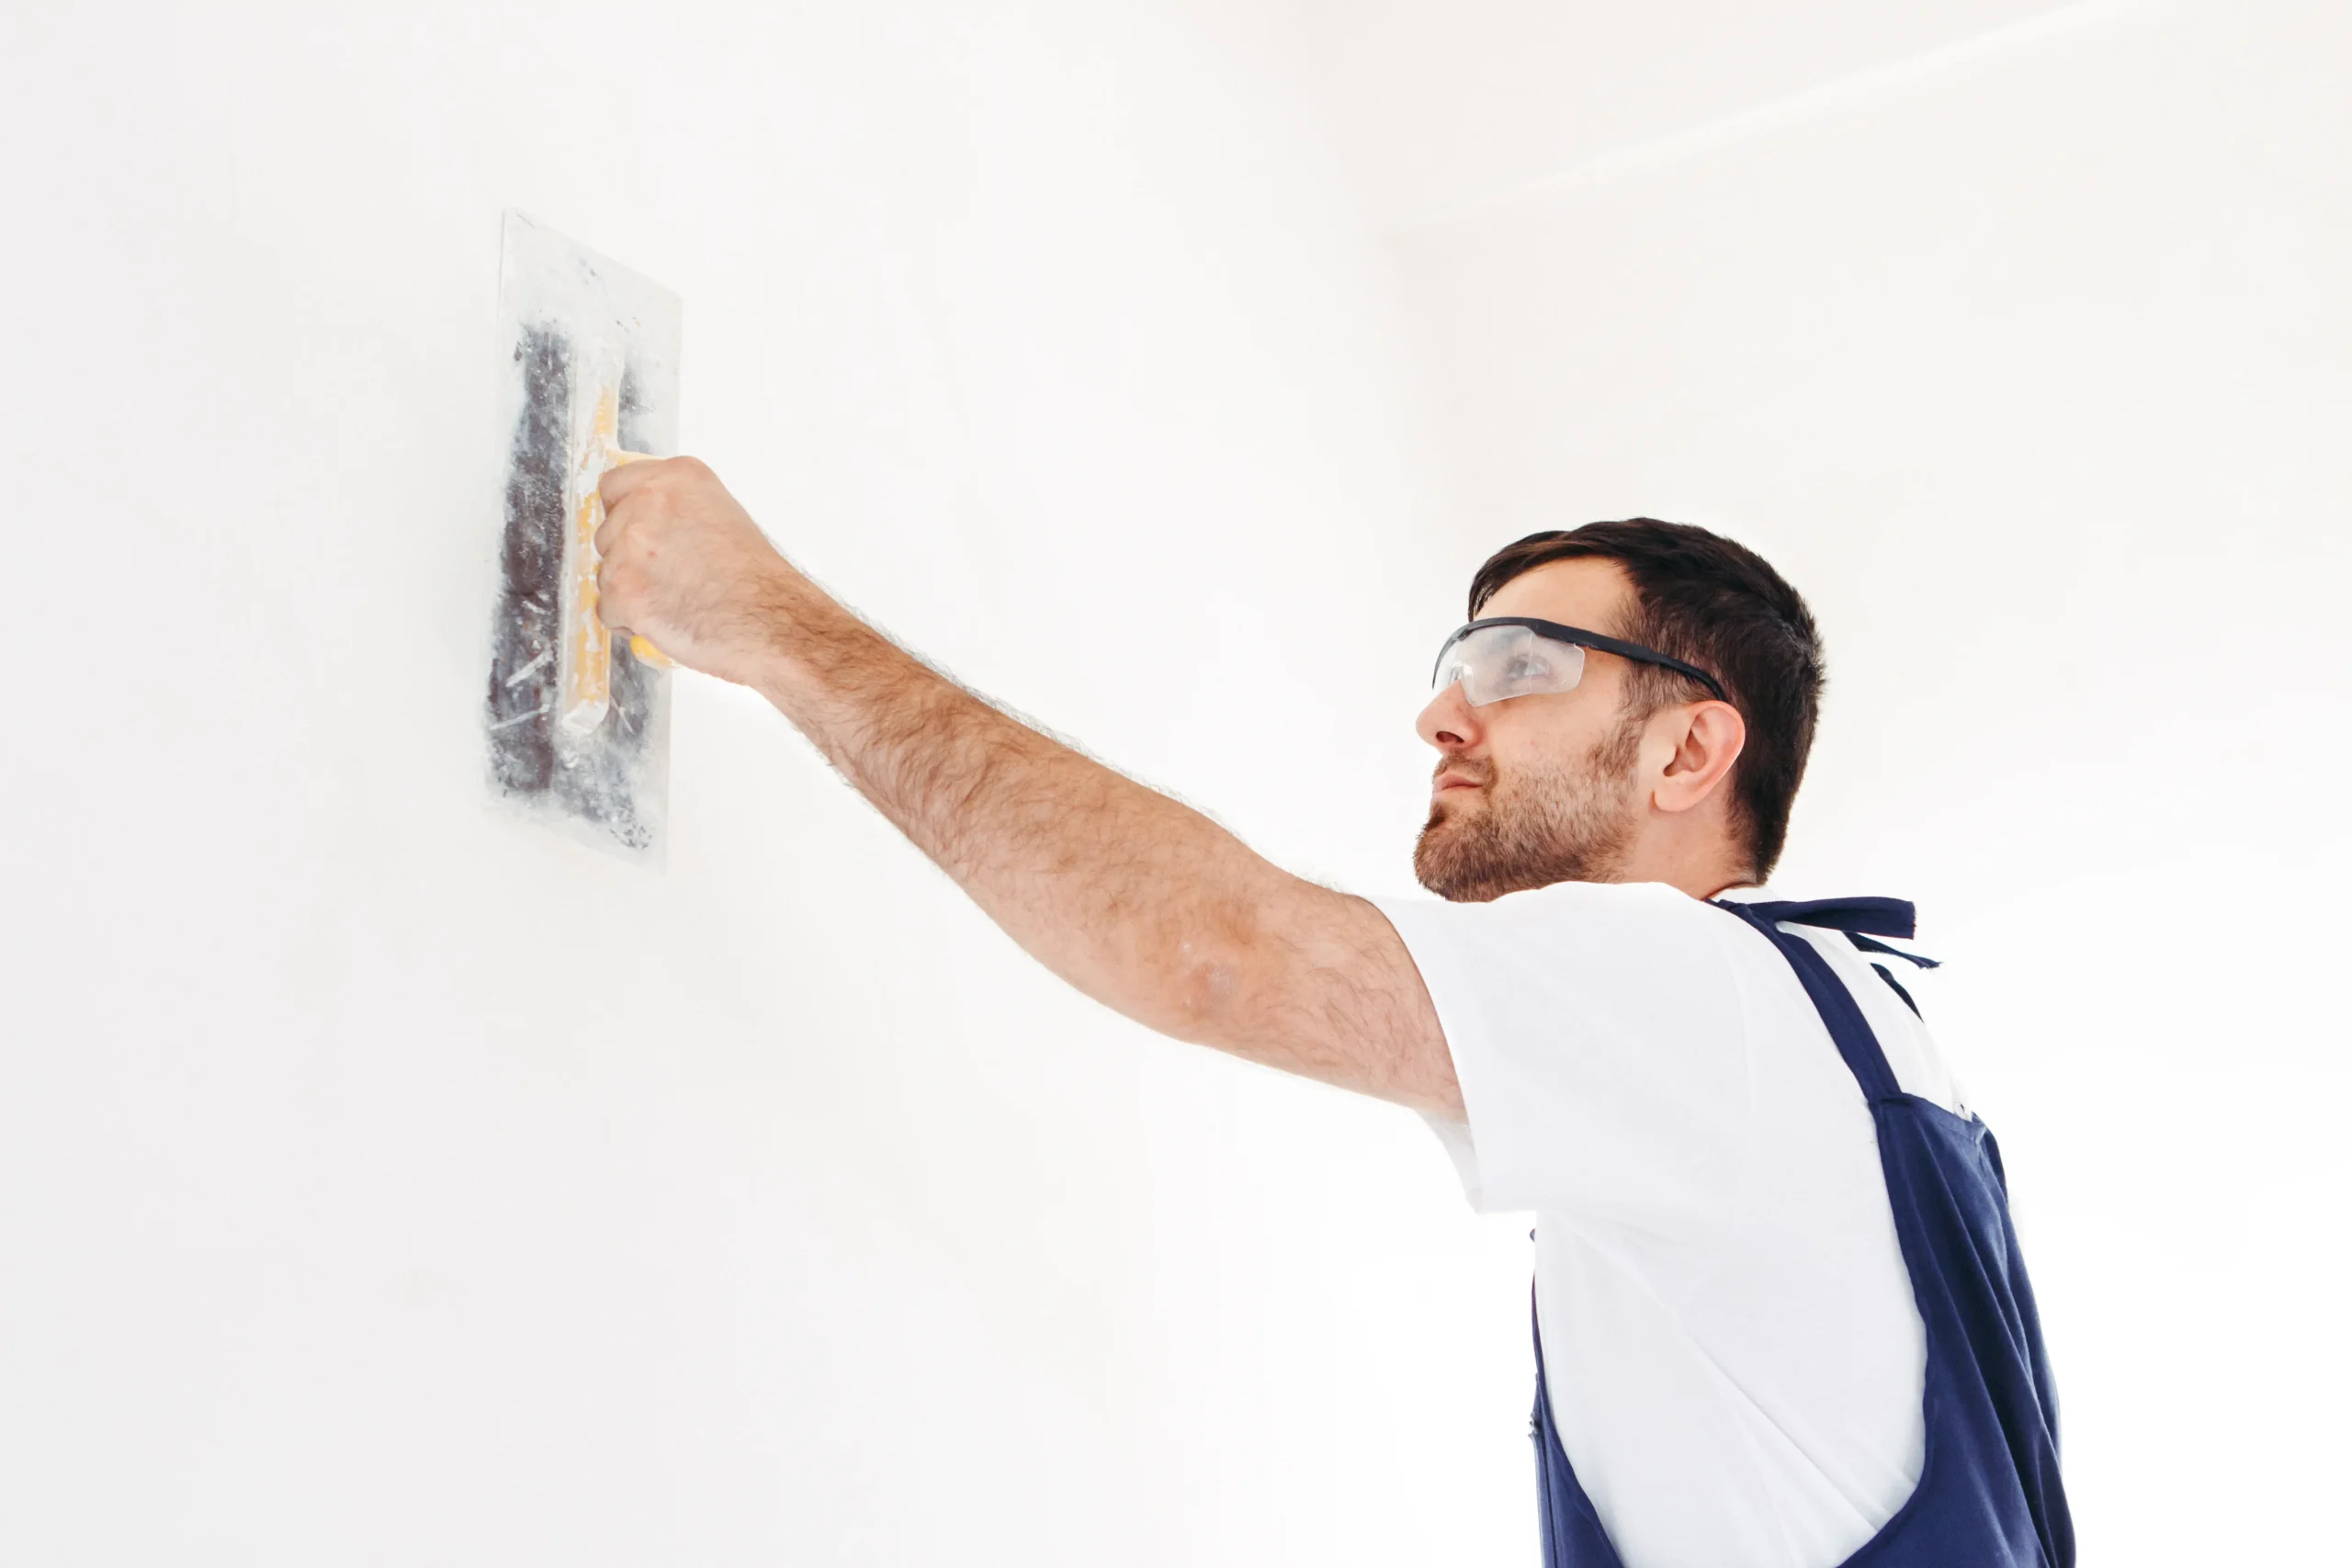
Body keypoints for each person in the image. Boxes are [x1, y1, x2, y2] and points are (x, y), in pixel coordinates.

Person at [590, 457, 2074, 1568]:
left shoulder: (1701, 992)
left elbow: (1220, 953)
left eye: (1518, 667)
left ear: (1690, 748)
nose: (1444, 715)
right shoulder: (1837, 1050)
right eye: (1453, 670)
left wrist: (772, 622)